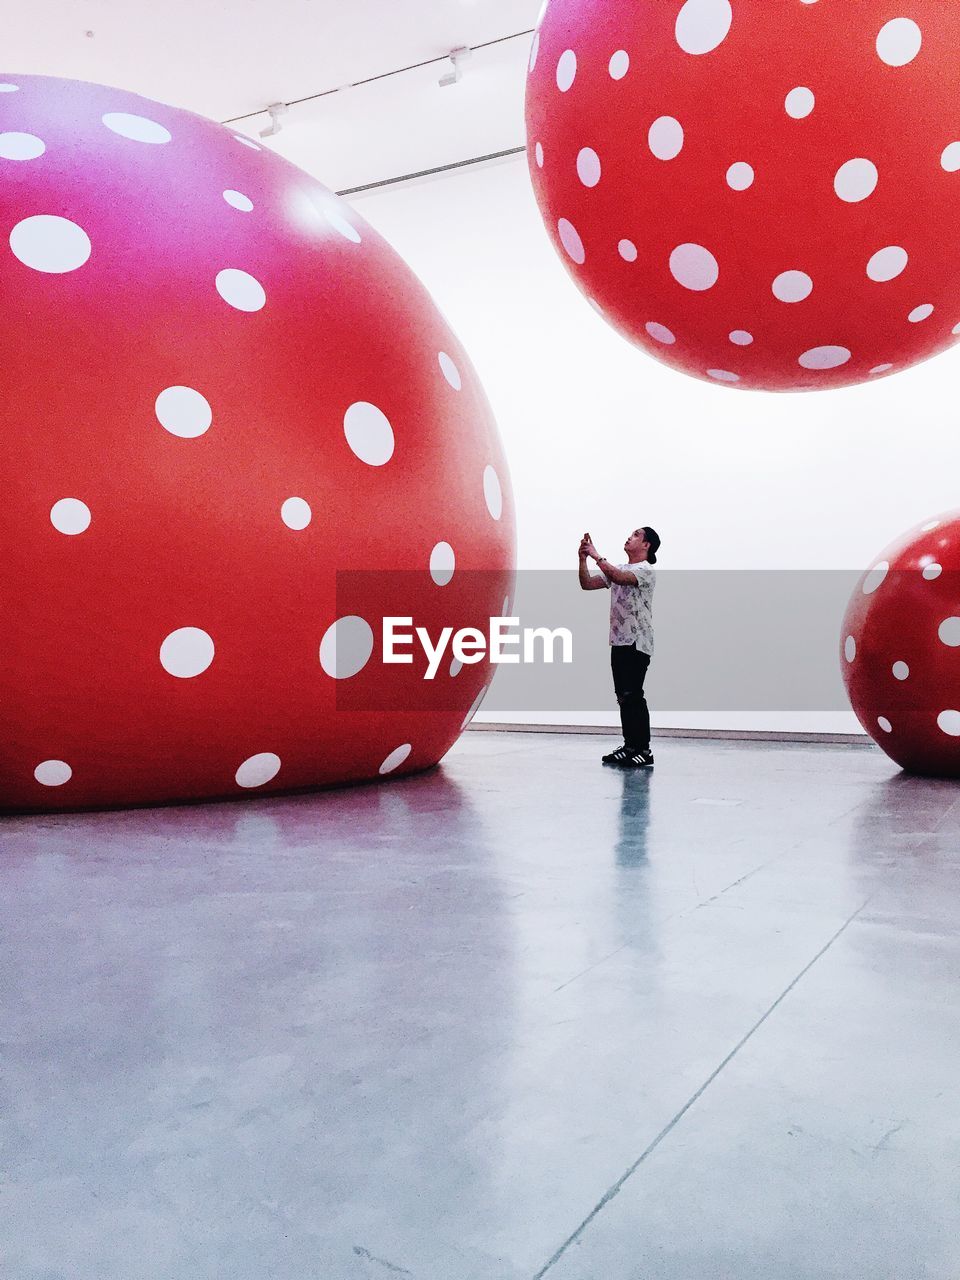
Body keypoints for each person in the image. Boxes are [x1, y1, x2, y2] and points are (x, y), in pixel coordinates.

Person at [578, 526, 660, 768]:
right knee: (623, 696)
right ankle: (629, 746)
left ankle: (643, 749)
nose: (629, 537)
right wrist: (582, 559)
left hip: (637, 641)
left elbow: (619, 578)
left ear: (646, 545)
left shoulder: (645, 570)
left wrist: (595, 554)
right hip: (619, 640)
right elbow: (587, 583)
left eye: (636, 535)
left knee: (634, 694)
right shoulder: (619, 569)